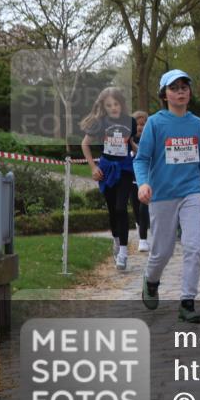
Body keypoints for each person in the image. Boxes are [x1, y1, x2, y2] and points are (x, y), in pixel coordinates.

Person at [134, 69, 200, 323]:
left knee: (194, 247)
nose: (180, 92)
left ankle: (187, 301)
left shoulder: (198, 124)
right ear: (164, 94)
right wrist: (143, 184)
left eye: (184, 87)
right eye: (174, 88)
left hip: (191, 192)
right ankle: (151, 279)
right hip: (161, 195)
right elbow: (142, 159)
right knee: (163, 251)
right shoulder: (156, 123)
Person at [80, 87, 138, 271]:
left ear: (122, 104)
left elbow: (129, 142)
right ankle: (116, 241)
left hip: (125, 169)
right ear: (104, 107)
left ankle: (123, 252)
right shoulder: (100, 123)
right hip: (106, 170)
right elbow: (85, 144)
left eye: (116, 104)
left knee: (122, 208)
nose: (113, 108)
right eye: (109, 105)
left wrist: (141, 153)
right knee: (113, 210)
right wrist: (93, 167)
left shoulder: (130, 122)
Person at [130, 110, 150, 252]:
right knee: (136, 210)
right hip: (131, 180)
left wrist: (131, 144)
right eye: (137, 124)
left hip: (145, 181)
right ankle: (140, 225)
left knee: (144, 209)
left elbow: (141, 154)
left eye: (143, 124)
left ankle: (143, 240)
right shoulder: (127, 140)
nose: (140, 127)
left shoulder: (148, 141)